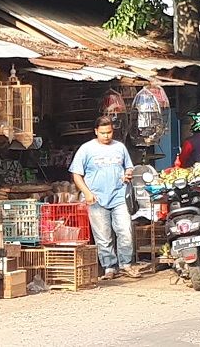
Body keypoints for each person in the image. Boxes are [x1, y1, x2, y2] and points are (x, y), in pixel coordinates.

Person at [69, 116, 140, 279]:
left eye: (109, 132)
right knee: (103, 236)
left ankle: (126, 265)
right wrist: (87, 193)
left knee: (125, 231)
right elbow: (76, 174)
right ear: (96, 132)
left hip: (119, 196)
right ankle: (109, 268)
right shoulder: (86, 149)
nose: (106, 136)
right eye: (102, 133)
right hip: (96, 198)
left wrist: (128, 173)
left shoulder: (120, 147)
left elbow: (129, 166)